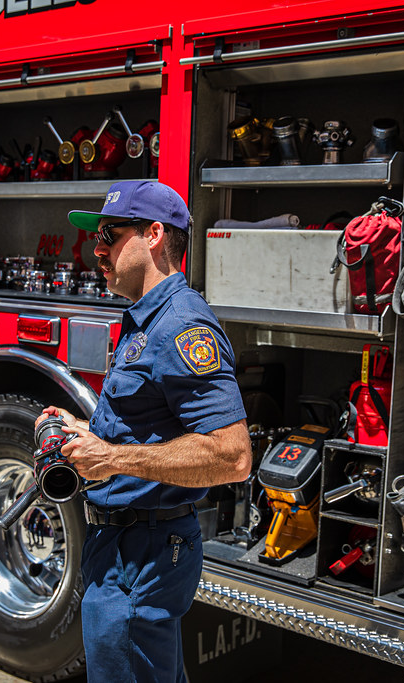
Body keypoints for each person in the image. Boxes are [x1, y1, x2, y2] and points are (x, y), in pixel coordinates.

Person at [43, 180, 252, 681]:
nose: (97, 249)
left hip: (143, 555)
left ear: (154, 235)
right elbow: (149, 425)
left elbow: (232, 456)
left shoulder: (181, 325)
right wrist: (81, 432)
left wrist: (111, 459)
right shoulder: (146, 319)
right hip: (123, 548)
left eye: (109, 235)